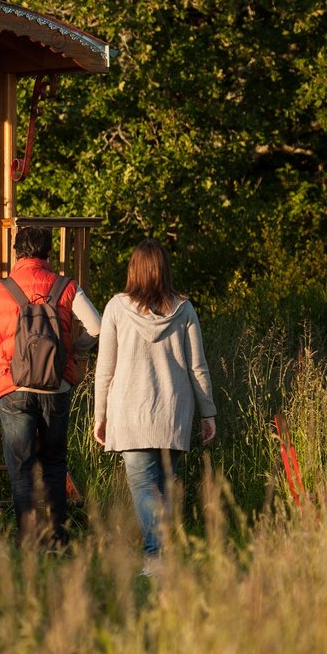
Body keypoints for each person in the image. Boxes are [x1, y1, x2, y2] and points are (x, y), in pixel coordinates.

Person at [93, 238, 217, 572]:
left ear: (133, 269)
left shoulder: (116, 308)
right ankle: (161, 554)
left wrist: (99, 415)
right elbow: (198, 366)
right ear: (164, 270)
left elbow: (105, 368)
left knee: (145, 489)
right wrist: (208, 412)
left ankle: (155, 557)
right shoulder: (185, 309)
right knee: (161, 488)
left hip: (130, 414)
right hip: (173, 414)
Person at [0, 226, 101, 546]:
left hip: (13, 386)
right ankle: (57, 538)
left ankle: (28, 540)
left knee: (21, 468)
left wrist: (11, 352)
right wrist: (75, 347)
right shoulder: (66, 286)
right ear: (47, 252)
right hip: (56, 386)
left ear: (17, 252)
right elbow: (97, 327)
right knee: (55, 463)